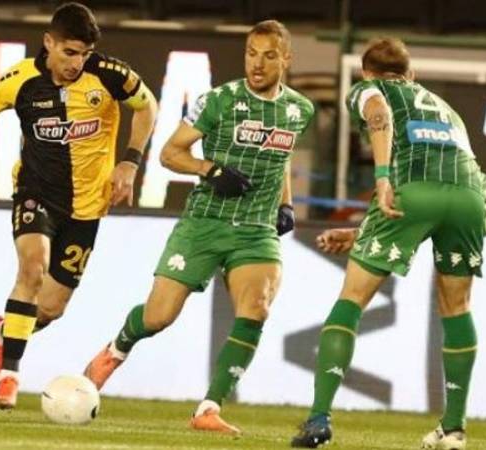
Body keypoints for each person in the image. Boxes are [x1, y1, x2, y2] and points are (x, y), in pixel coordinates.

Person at [0, 2, 157, 409]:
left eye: (84, 54)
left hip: (87, 206)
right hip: (36, 192)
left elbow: (147, 106)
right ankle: (9, 378)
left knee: (49, 307)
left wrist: (130, 162)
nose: (77, 63)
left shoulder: (109, 74)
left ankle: (3, 333)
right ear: (49, 42)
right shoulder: (19, 79)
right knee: (32, 267)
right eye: (69, 52)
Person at [83, 20, 315, 435]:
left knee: (257, 308)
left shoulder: (300, 110)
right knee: (158, 316)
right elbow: (170, 154)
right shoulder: (219, 101)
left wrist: (286, 203)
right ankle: (115, 350)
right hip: (205, 222)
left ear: (286, 59)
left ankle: (209, 408)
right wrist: (211, 170)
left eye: (269, 56)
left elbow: (280, 157)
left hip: (256, 229)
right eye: (251, 54)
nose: (257, 64)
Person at [291, 38, 486, 449]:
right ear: (411, 74)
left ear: (366, 72)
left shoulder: (369, 88)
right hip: (470, 196)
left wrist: (382, 177)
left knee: (352, 299)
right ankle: (454, 429)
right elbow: (443, 178)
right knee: (457, 307)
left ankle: (318, 420)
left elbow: (379, 112)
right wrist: (363, 232)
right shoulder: (445, 108)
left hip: (409, 190)